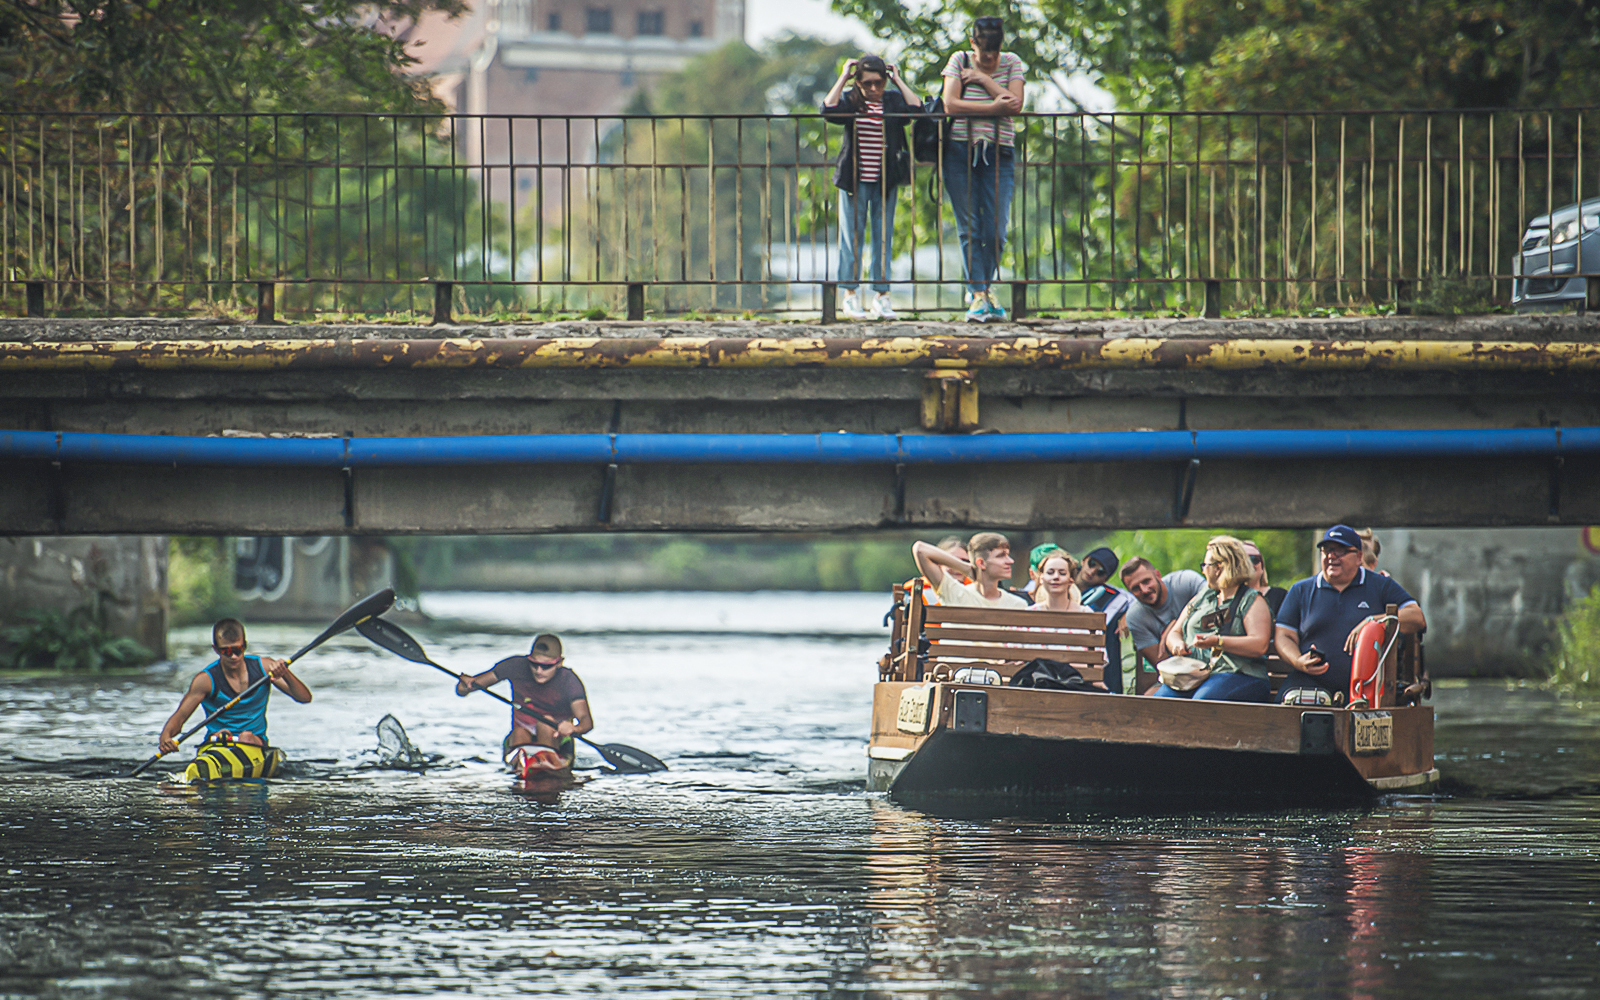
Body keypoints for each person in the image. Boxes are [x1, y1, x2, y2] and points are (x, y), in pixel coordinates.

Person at [1274, 525, 1427, 705]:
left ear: (1359, 557)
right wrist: (1298, 661)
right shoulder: (1301, 590)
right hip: (1311, 681)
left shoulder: (1380, 585)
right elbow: (1284, 635)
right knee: (1284, 710)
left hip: (1369, 684)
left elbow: (1416, 617)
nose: (1332, 556)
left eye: (1341, 551)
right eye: (1327, 550)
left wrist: (1372, 621)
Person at [823, 54, 921, 321]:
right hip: (854, 179)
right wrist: (844, 76)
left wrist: (898, 80)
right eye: (868, 84)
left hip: (884, 180)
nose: (874, 89)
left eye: (879, 83)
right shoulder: (852, 101)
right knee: (851, 238)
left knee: (882, 237)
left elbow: (917, 109)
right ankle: (850, 295)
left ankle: (882, 296)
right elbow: (828, 109)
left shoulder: (891, 101)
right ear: (859, 83)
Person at [940, 15, 1025, 323]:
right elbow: (950, 104)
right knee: (969, 227)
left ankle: (983, 289)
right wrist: (993, 108)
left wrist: (982, 79)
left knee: (997, 229)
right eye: (983, 50)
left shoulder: (1012, 62)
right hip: (959, 152)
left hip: (999, 153)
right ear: (972, 42)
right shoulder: (958, 59)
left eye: (994, 50)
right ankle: (979, 294)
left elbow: (1015, 104)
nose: (989, 57)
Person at [158, 618, 311, 755]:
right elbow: (180, 718)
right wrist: (166, 737)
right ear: (216, 649)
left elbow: (304, 698)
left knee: (246, 736)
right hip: (217, 743)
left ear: (245, 646)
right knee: (221, 735)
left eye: (238, 650)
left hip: (253, 743)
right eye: (227, 651)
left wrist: (285, 673)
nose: (233, 657)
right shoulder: (205, 680)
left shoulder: (264, 668)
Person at [1150, 536, 1273, 703]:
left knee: (1203, 704)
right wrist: (1177, 645)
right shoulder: (1203, 597)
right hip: (1194, 676)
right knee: (1159, 702)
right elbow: (1175, 632)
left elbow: (1260, 645)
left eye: (1205, 565)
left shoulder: (1252, 600)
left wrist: (1217, 641)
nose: (1202, 571)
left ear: (1219, 568)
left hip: (1239, 675)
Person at [457, 633, 593, 763]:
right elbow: (464, 690)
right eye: (534, 664)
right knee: (519, 733)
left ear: (559, 663)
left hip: (556, 738)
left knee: (546, 723)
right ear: (529, 659)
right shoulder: (515, 666)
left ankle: (546, 760)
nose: (539, 671)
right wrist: (464, 686)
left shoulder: (569, 681)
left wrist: (575, 729)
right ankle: (524, 763)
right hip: (521, 735)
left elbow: (587, 722)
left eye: (546, 666)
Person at [1120, 557, 1207, 668]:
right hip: (1180, 671)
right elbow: (1163, 664)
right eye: (1136, 588)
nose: (1144, 590)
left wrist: (1174, 627)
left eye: (1146, 581)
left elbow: (1214, 601)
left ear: (1158, 575)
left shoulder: (1186, 582)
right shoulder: (1135, 617)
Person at [911, 531, 1027, 609]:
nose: (1010, 561)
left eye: (1008, 555)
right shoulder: (956, 593)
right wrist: (966, 568)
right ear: (981, 563)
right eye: (1001, 556)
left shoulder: (1018, 604)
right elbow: (920, 549)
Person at [1241, 539, 1289, 620]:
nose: (1249, 565)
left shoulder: (1280, 596)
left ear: (1262, 566)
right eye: (1243, 560)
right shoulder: (1223, 598)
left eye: (1254, 559)